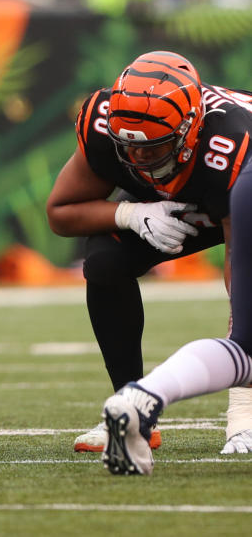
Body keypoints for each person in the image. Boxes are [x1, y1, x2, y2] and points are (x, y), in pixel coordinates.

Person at [46, 51, 252, 454]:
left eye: (152, 148)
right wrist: (130, 213)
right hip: (186, 202)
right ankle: (132, 411)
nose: (138, 159)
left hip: (237, 193)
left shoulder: (226, 142)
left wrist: (242, 410)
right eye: (129, 148)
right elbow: (60, 212)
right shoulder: (105, 125)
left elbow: (241, 272)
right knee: (104, 262)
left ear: (190, 130)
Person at [100, 163, 252, 476]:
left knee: (247, 349)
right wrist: (127, 214)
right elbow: (59, 209)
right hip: (237, 181)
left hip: (244, 184)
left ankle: (143, 396)